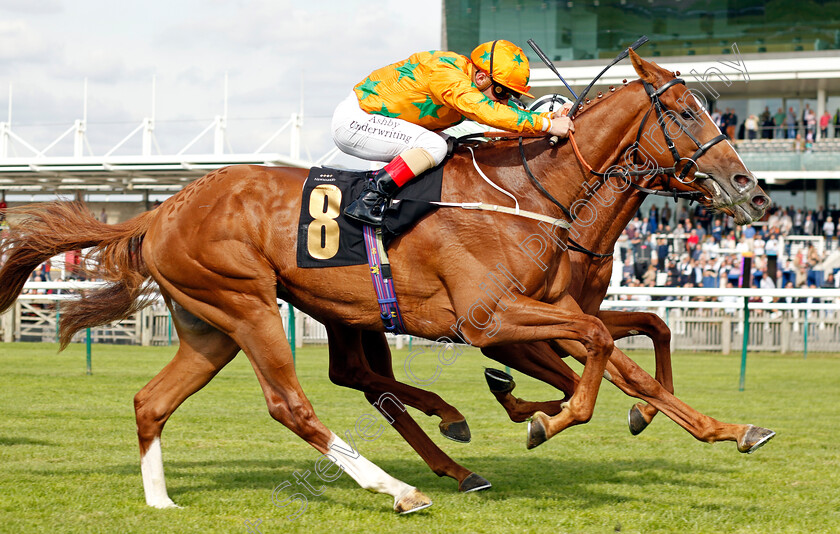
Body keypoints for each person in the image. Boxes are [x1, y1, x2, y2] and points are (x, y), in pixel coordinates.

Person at [332, 40, 574, 225]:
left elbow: (505, 110)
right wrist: (548, 126)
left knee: (453, 145)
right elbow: (488, 112)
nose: (505, 100)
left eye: (510, 95)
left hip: (380, 124)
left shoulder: (472, 83)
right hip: (355, 121)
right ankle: (370, 198)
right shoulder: (447, 75)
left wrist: (552, 117)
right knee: (434, 146)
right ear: (481, 77)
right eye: (502, 92)